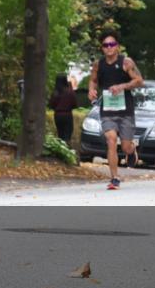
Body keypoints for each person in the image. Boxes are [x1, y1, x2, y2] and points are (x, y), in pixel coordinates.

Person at [87, 31, 144, 190]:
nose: (109, 47)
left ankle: (131, 151)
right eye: (106, 45)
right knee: (111, 140)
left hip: (125, 111)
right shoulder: (99, 64)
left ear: (117, 46)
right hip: (108, 110)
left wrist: (122, 86)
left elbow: (139, 81)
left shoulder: (126, 62)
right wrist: (91, 90)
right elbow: (92, 80)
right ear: (102, 48)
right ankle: (114, 178)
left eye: (112, 44)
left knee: (124, 146)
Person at [48, 73, 78, 145]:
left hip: (57, 115)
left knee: (60, 133)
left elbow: (51, 105)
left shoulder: (55, 93)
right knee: (67, 134)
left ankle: (61, 148)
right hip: (67, 114)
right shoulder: (70, 92)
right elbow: (75, 104)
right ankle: (67, 148)